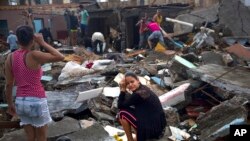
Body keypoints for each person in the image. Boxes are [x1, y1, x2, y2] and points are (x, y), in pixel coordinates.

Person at [5, 25, 64, 141]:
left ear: (17, 39)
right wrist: (42, 43)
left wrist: (10, 104)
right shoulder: (34, 55)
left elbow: (8, 84)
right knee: (41, 138)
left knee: (30, 138)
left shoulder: (10, 57)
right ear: (33, 39)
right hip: (36, 100)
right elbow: (60, 56)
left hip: (20, 102)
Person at [118, 72, 166, 141]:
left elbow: (120, 106)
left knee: (122, 113)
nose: (130, 85)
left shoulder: (138, 94)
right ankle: (139, 136)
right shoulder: (144, 88)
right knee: (134, 110)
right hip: (159, 128)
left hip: (152, 130)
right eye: (127, 83)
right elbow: (128, 102)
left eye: (132, 81)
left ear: (138, 80)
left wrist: (122, 90)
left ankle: (130, 139)